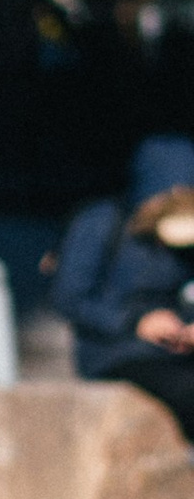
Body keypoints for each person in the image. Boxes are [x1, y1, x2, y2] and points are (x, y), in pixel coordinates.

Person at [49, 133, 194, 431]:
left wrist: (187, 325)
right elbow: (69, 297)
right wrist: (136, 322)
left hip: (173, 349)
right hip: (115, 352)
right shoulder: (103, 222)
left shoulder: (182, 236)